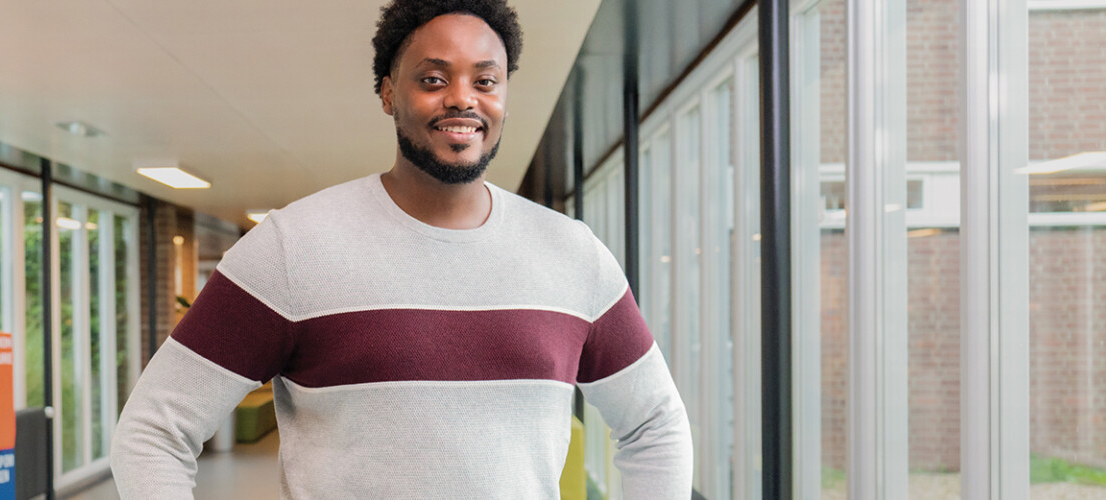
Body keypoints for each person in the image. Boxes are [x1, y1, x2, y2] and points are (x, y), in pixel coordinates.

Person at [110, 0, 692, 497]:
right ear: (389, 93)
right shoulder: (292, 248)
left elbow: (655, 424)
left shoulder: (572, 253)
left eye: (485, 81)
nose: (462, 99)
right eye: (433, 79)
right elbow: (153, 431)